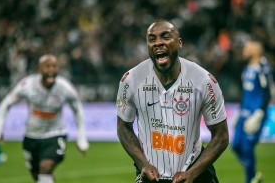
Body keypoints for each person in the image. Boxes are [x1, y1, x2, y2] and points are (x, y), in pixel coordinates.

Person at [116, 20, 229, 183]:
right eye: (152, 39)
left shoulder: (204, 81)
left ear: (179, 42)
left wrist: (193, 173)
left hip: (195, 174)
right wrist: (143, 164)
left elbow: (221, 136)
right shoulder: (131, 80)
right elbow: (123, 128)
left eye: (165, 37)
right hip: (150, 175)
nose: (158, 43)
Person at [0, 54, 89, 183]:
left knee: (46, 167)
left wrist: (81, 138)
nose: (51, 70)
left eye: (54, 66)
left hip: (55, 134)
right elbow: (6, 104)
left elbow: (78, 111)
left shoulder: (65, 87)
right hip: (31, 136)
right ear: (39, 69)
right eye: (47, 66)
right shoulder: (27, 85)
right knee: (39, 176)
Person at [232, 40, 272, 183]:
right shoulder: (247, 67)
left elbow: (267, 92)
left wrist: (259, 113)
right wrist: (239, 111)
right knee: (235, 145)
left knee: (247, 146)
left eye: (248, 47)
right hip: (244, 113)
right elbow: (246, 93)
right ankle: (253, 173)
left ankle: (251, 179)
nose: (245, 50)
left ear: (256, 50)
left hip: (256, 114)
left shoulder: (263, 67)